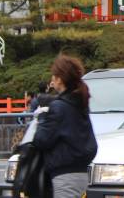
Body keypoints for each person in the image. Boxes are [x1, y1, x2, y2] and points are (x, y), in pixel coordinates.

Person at [33, 56, 98, 198]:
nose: (52, 79)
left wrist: (43, 118)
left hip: (64, 175)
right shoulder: (79, 103)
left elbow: (41, 140)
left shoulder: (59, 107)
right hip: (80, 172)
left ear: (60, 79)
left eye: (54, 76)